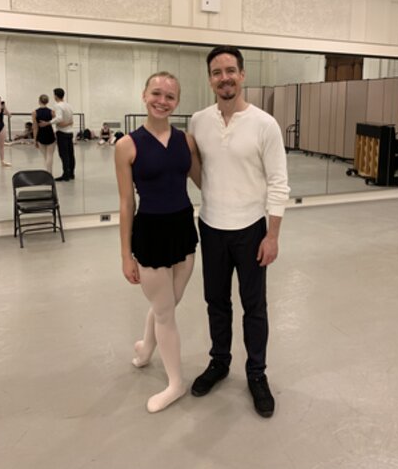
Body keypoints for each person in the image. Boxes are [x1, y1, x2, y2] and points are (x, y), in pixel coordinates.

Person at [189, 45, 290, 418]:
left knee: (254, 307)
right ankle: (219, 362)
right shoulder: (198, 121)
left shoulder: (265, 124)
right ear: (210, 79)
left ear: (242, 75)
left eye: (230, 70)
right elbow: (200, 171)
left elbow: (278, 183)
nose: (224, 78)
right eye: (217, 72)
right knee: (216, 302)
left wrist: (272, 235)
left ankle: (256, 373)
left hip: (251, 230)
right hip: (211, 226)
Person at [115, 71, 200, 413]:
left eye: (170, 96)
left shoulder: (186, 141)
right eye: (156, 93)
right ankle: (176, 383)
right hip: (150, 233)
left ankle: (146, 349)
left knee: (168, 303)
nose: (162, 101)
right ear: (144, 95)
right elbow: (126, 204)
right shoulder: (127, 145)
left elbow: (206, 181)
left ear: (177, 102)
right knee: (165, 312)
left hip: (183, 229)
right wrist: (126, 255)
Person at [39, 88, 75, 181]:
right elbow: (71, 119)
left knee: (64, 155)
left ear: (55, 96)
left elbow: (59, 118)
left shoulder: (58, 106)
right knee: (70, 154)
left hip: (62, 132)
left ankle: (66, 175)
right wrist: (67, 123)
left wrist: (48, 123)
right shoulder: (68, 105)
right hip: (70, 132)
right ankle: (71, 173)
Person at [32, 94, 56, 174]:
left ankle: (48, 173)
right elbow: (56, 122)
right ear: (47, 102)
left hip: (41, 135)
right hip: (50, 134)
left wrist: (35, 140)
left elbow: (35, 127)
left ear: (39, 101)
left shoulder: (35, 112)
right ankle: (50, 172)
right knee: (50, 155)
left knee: (45, 156)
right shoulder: (52, 112)